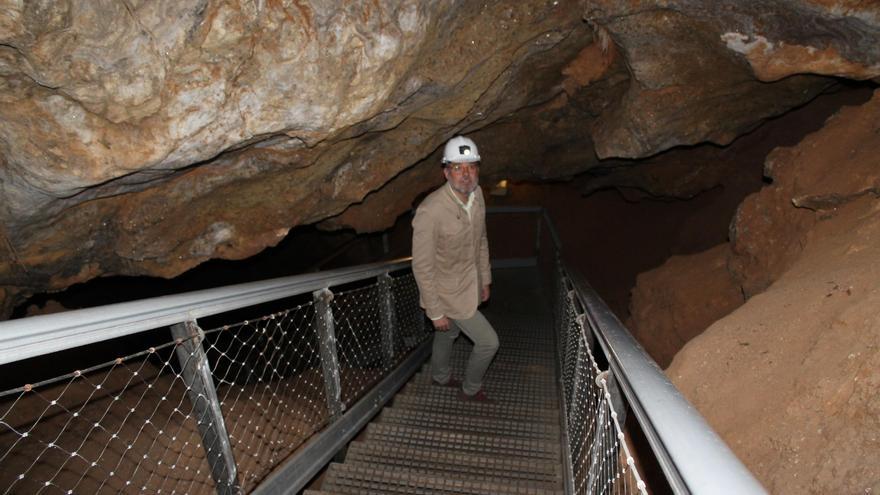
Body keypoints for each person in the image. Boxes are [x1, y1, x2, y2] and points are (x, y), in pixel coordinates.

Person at [411, 135, 499, 402]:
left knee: (449, 332)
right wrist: (435, 311)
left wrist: (485, 279)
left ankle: (440, 376)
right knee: (488, 342)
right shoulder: (431, 211)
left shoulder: (478, 194)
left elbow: (481, 238)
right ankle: (470, 390)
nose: (466, 174)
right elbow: (422, 265)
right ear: (446, 171)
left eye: (471, 166)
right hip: (447, 292)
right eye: (458, 168)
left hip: (470, 283)